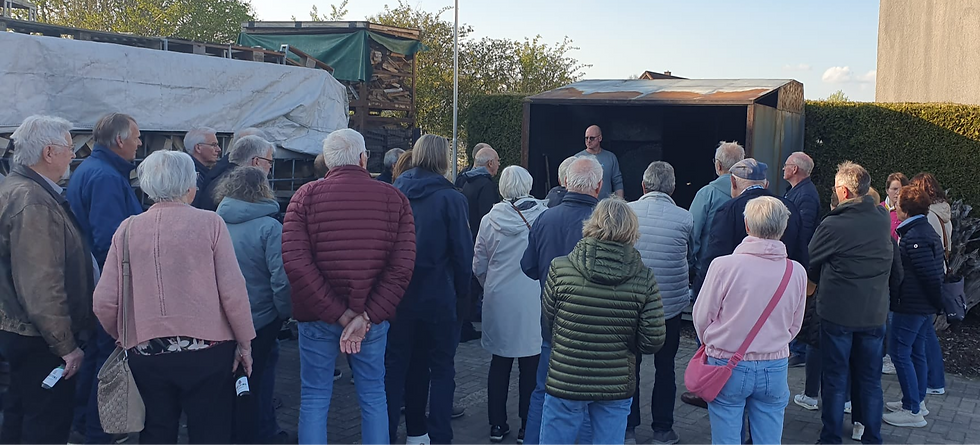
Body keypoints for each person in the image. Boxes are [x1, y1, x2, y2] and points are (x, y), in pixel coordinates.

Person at [92, 150, 256, 444]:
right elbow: (233, 291)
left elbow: (104, 301)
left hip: (147, 350)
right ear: (189, 186)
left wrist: (124, 334)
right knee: (211, 431)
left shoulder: (127, 230)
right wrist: (245, 342)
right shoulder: (211, 224)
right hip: (209, 351)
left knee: (156, 429)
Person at [282, 129, 416, 445]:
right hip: (370, 317)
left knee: (314, 396)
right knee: (373, 395)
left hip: (317, 316)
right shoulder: (394, 198)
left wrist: (339, 314)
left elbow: (296, 264)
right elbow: (402, 266)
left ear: (328, 161)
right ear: (363, 158)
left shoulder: (304, 197)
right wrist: (365, 316)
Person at [540, 198, 666, 444]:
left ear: (592, 223)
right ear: (631, 230)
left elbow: (549, 325)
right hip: (616, 381)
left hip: (567, 376)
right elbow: (653, 341)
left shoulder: (560, 268)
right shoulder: (644, 278)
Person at [0, 115, 94, 444]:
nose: (74, 155)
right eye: (69, 148)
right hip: (38, 337)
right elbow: (42, 281)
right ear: (49, 153)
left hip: (23, 329)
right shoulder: (33, 201)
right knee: (46, 422)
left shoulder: (20, 189)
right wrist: (65, 346)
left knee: (19, 412)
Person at [693, 196, 807, 445]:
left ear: (747, 225)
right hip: (775, 364)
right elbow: (795, 324)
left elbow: (702, 316)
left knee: (726, 437)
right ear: (783, 228)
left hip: (726, 361)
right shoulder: (796, 271)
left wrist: (713, 340)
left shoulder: (723, 266)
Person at [66, 112, 145, 445]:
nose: (140, 143)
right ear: (120, 140)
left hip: (95, 280)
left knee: (98, 354)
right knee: (107, 357)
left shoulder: (92, 170)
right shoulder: (106, 178)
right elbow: (110, 239)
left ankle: (83, 425)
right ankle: (99, 431)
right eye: (137, 137)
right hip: (108, 285)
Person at [389, 135, 471, 445]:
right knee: (440, 368)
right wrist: (464, 296)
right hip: (438, 295)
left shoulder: (394, 192)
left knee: (398, 366)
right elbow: (463, 254)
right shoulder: (452, 198)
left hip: (398, 295)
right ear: (443, 158)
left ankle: (398, 432)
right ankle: (437, 435)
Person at [810, 161, 898, 445]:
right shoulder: (882, 220)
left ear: (844, 191)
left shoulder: (834, 224)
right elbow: (896, 269)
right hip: (874, 315)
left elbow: (808, 261)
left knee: (835, 379)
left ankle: (831, 438)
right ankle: (872, 437)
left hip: (838, 315)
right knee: (870, 380)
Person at [520, 156, 604, 445]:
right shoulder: (605, 224)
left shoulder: (545, 218)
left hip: (552, 322)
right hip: (595, 327)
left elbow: (528, 267)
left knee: (543, 392)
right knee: (592, 401)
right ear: (599, 186)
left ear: (567, 182)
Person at [214, 167, 293, 445]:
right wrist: (284, 312)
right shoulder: (270, 228)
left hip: (219, 320)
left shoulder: (214, 223)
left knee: (223, 386)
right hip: (261, 320)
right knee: (259, 383)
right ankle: (261, 434)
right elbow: (281, 280)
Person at [472, 166, 548, 443]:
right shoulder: (543, 216)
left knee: (499, 363)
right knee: (531, 365)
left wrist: (488, 285)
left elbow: (478, 263)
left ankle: (496, 424)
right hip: (532, 298)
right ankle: (527, 426)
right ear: (527, 185)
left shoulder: (489, 219)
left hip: (499, 298)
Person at [625, 161, 693, 445]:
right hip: (669, 306)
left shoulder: (627, 212)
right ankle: (662, 429)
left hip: (631, 303)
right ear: (673, 188)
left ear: (643, 186)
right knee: (666, 367)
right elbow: (693, 254)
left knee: (630, 366)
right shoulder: (685, 218)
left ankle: (627, 429)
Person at [696, 158, 808, 295]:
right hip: (779, 293)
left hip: (738, 294)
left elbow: (715, 256)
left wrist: (699, 291)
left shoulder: (728, 210)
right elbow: (800, 254)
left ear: (733, 182)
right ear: (766, 184)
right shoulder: (789, 208)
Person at [881, 185, 945, 428]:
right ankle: (916, 400)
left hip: (912, 305)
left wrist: (934, 303)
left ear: (905, 208)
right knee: (916, 351)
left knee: (900, 352)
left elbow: (929, 275)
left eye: (898, 202)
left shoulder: (916, 236)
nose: (895, 204)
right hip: (919, 305)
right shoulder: (920, 231)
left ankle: (912, 409)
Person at [908, 172, 949, 396]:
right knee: (925, 333)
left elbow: (924, 250)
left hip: (928, 278)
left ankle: (933, 381)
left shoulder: (930, 217)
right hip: (937, 274)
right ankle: (934, 380)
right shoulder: (942, 212)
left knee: (925, 335)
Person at [458, 144, 501, 342]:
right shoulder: (486, 185)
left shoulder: (467, 181)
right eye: (498, 160)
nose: (499, 164)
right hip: (478, 240)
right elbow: (488, 217)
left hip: (468, 236)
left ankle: (463, 322)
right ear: (490, 163)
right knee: (474, 285)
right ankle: (464, 325)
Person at [689, 141, 745, 292]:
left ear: (718, 166)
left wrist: (691, 266)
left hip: (709, 270)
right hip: (742, 273)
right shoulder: (750, 196)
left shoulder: (706, 194)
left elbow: (693, 234)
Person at [782, 151, 820, 368]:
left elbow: (804, 231)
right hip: (796, 259)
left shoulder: (805, 195)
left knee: (799, 304)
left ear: (795, 169)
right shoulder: (797, 191)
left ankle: (799, 350)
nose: (784, 169)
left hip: (798, 260)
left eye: (786, 165)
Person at [194, 135, 275, 210]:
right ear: (256, 161)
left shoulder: (216, 176)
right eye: (269, 162)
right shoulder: (245, 187)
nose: (270, 166)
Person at [577, 125, 624, 199]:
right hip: (585, 205)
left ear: (600, 138)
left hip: (606, 205)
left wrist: (620, 203)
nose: (588, 141)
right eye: (586, 138)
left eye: (592, 138)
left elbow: (617, 182)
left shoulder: (610, 157)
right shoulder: (577, 159)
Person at [184, 126, 221, 192]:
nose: (218, 149)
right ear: (198, 148)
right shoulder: (192, 176)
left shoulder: (190, 170)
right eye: (213, 145)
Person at [883, 173, 910, 240]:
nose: (898, 193)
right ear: (887, 190)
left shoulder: (908, 210)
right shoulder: (879, 208)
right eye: (895, 189)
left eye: (902, 189)